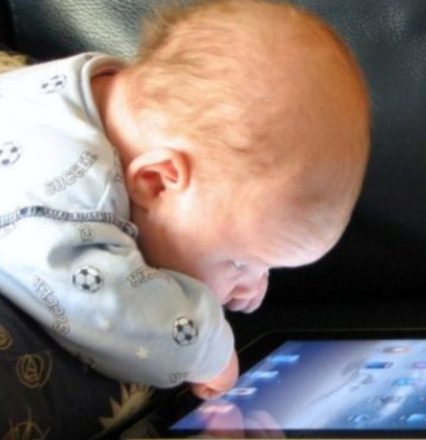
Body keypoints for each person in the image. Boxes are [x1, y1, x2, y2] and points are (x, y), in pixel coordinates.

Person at [0, 0, 370, 400]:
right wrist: (209, 351)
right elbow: (104, 308)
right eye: (240, 263)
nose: (251, 293)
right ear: (157, 182)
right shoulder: (65, 200)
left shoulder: (98, 95)